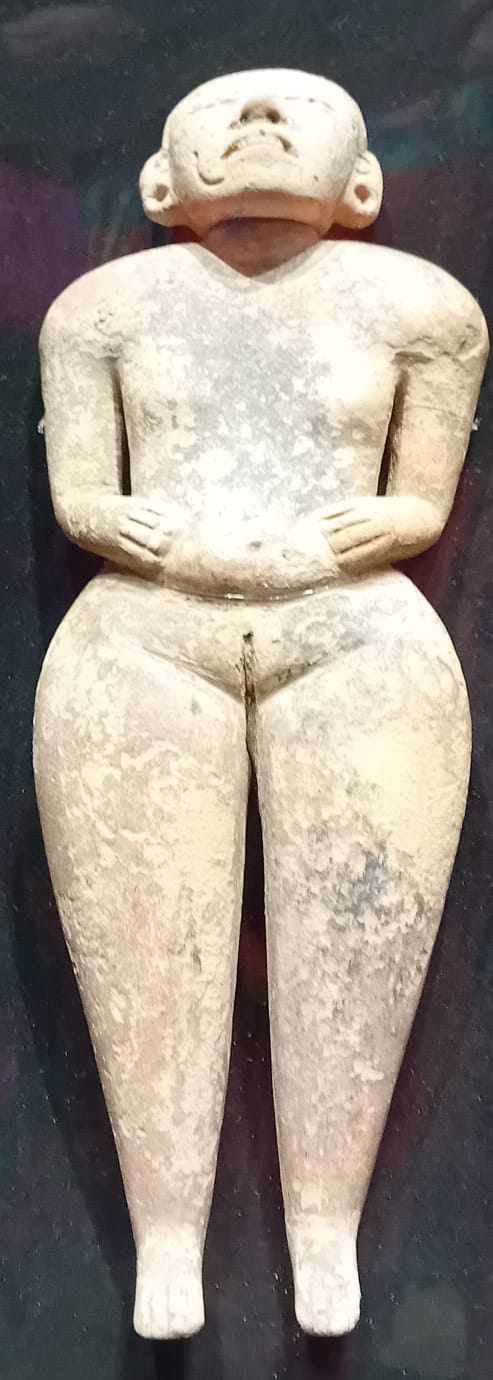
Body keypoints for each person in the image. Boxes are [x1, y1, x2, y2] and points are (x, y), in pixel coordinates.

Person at [33, 69, 488, 1340]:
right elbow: (85, 493)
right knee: (146, 934)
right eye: (228, 112)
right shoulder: (104, 311)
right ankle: (166, 1233)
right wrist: (116, 520)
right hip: (145, 623)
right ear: (159, 179)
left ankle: (323, 1224)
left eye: (291, 108)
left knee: (355, 928)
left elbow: (419, 501)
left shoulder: (422, 309)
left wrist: (382, 525)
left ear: (362, 182)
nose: (259, 124)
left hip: (351, 623)